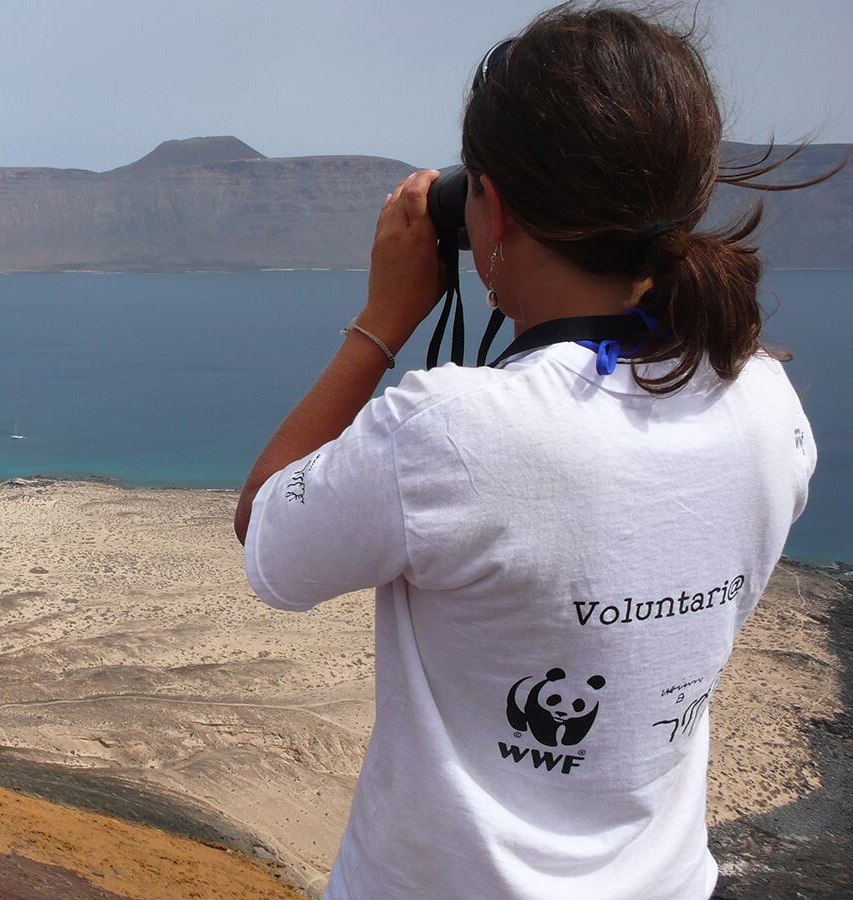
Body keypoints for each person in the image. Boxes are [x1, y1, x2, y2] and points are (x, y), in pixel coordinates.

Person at [234, 4, 837, 898]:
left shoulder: (448, 430)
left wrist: (382, 320)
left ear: (495, 209)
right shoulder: (764, 399)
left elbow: (265, 537)